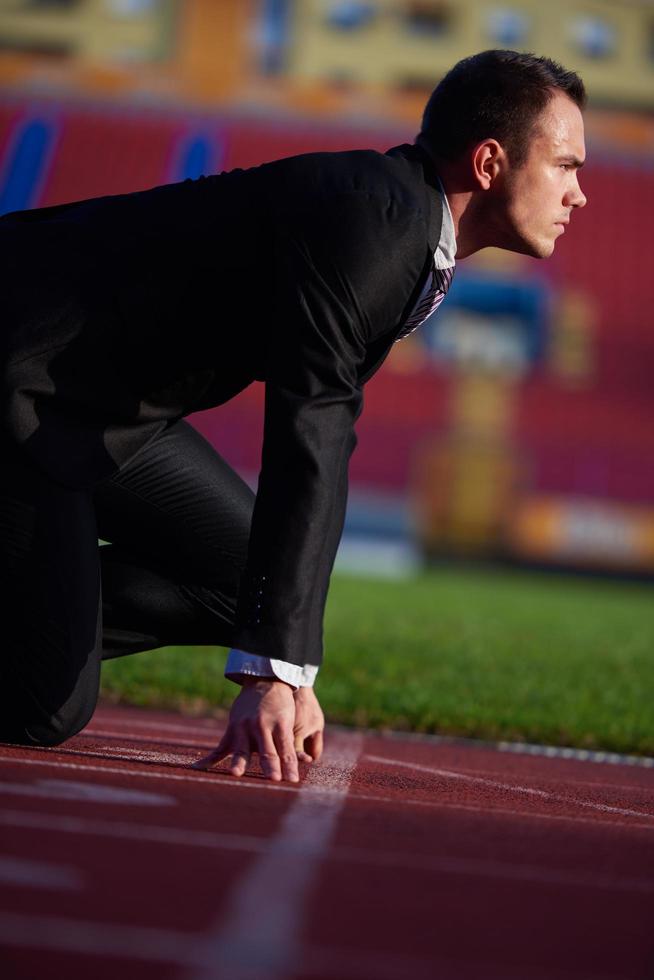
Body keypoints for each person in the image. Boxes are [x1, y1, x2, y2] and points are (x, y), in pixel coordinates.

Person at [0, 49, 587, 782]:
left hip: (96, 406)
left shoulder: (405, 229)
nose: (579, 195)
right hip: (22, 384)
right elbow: (311, 433)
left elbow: (319, 452)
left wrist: (287, 658)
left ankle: (34, 618)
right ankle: (37, 639)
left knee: (244, 574)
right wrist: (278, 673)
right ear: (491, 161)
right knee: (43, 707)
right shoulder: (377, 223)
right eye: (566, 166)